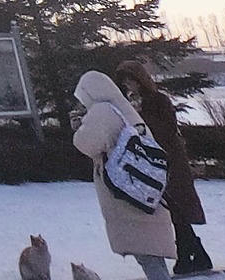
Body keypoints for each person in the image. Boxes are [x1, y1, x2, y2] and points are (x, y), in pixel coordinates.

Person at [73, 70, 178, 280]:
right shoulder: (123, 108)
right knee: (150, 251)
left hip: (126, 191)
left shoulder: (102, 111)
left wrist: (78, 129)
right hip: (141, 187)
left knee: (148, 254)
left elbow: (87, 144)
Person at [115, 60, 213, 274]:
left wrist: (139, 117)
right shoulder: (135, 101)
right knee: (172, 209)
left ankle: (191, 254)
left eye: (130, 79)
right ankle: (192, 253)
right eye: (125, 81)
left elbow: (166, 129)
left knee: (176, 208)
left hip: (170, 161)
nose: (128, 84)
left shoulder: (157, 100)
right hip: (154, 163)